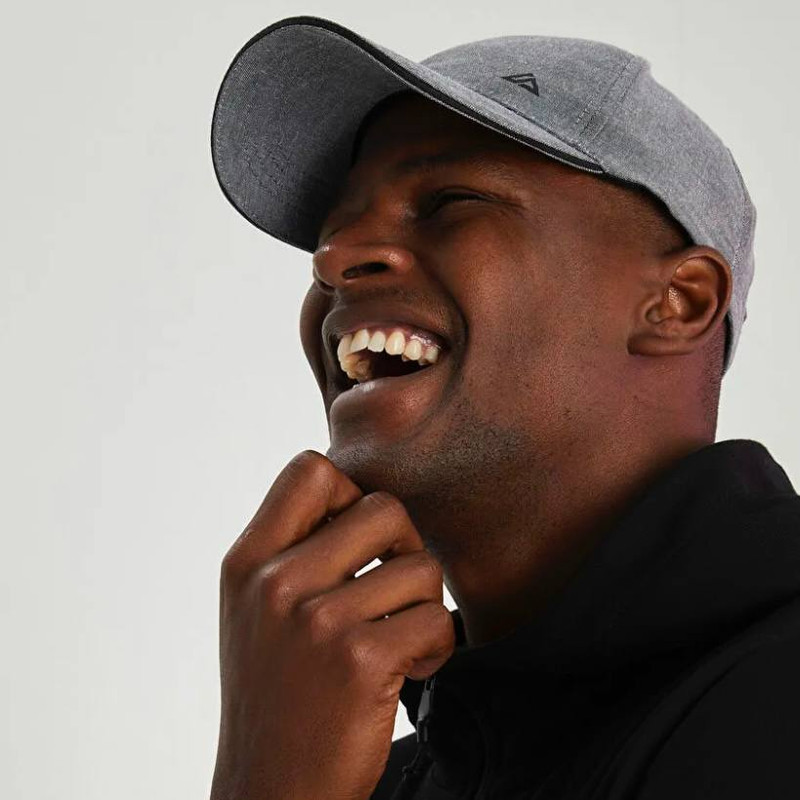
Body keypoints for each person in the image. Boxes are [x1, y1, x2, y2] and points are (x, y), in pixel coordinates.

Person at [208, 16, 800, 800]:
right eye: (332, 231)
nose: (333, 258)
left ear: (679, 303)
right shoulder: (359, 774)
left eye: (448, 201)